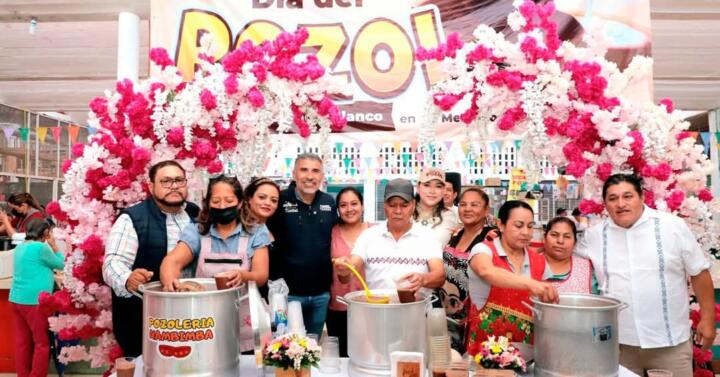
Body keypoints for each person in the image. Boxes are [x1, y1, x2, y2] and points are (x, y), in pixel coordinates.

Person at [577, 174, 715, 377]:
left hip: (669, 343)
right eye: (613, 198)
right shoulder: (594, 236)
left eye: (628, 196)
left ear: (642, 197)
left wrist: (708, 319)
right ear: (605, 204)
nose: (621, 204)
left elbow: (699, 272)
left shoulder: (672, 227)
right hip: (619, 346)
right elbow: (564, 258)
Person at [160, 175, 270, 351]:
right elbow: (172, 261)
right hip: (202, 321)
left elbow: (261, 274)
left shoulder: (256, 231)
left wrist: (243, 276)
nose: (222, 206)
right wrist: (171, 283)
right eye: (216, 201)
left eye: (229, 200)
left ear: (240, 202)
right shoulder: (197, 231)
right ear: (208, 203)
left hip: (244, 320)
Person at [102, 160, 200, 357]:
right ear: (151, 186)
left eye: (179, 180)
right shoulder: (133, 218)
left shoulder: (195, 213)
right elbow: (112, 262)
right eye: (166, 181)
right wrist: (128, 279)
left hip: (192, 317)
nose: (174, 186)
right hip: (146, 319)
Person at [465, 200, 557, 356]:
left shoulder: (539, 261)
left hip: (526, 353)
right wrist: (530, 284)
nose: (526, 232)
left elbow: (545, 305)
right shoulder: (482, 250)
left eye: (530, 226)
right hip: (485, 353)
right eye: (519, 226)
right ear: (500, 225)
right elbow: (487, 271)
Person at [267, 153, 338, 337]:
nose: (309, 176)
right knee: (285, 348)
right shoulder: (279, 200)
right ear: (294, 174)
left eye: (315, 171)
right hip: (287, 295)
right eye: (304, 170)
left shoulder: (328, 202)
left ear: (322, 176)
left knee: (313, 350)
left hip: (321, 295)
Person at [335, 178, 445, 296]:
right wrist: (344, 270)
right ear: (384, 205)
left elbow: (440, 276)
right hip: (377, 310)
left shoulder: (427, 236)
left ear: (413, 205)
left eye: (404, 205)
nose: (398, 211)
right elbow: (349, 273)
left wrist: (423, 279)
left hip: (416, 311)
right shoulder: (368, 236)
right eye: (392, 205)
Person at [440, 187, 497, 354]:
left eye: (475, 205)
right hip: (447, 318)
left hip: (474, 319)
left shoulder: (492, 237)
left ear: (486, 209)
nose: (467, 209)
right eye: (463, 204)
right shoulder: (455, 235)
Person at [10, 219, 64, 377]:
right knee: (41, 344)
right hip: (34, 302)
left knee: (23, 344)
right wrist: (54, 247)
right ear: (46, 233)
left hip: (16, 299)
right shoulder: (41, 248)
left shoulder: (20, 247)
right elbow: (61, 264)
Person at [327, 187, 370, 357]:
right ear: (338, 209)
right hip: (338, 306)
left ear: (362, 206)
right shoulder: (331, 232)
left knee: (368, 355)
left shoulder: (376, 231)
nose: (349, 209)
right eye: (343, 205)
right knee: (342, 357)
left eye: (354, 203)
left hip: (370, 306)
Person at [542, 217, 595, 294]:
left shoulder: (586, 267)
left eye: (567, 236)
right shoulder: (528, 263)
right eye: (554, 235)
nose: (560, 241)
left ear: (575, 243)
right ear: (544, 238)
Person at [414, 167, 459, 246]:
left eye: (438, 186)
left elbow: (436, 244)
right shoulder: (404, 211)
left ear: (443, 190)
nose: (432, 191)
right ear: (418, 188)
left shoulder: (448, 215)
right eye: (427, 185)